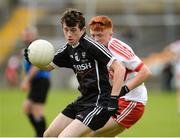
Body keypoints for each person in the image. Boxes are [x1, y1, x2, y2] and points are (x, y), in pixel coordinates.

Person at [24, 8, 125, 137]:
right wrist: (34, 60)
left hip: (99, 102)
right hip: (83, 100)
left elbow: (119, 69)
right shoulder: (68, 49)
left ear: (82, 30)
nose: (69, 34)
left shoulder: (91, 46)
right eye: (66, 30)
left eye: (73, 30)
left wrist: (114, 99)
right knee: (48, 135)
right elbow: (48, 66)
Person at [87, 15, 152, 136]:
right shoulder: (99, 50)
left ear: (111, 34)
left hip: (132, 101)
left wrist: (124, 90)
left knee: (89, 132)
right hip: (117, 100)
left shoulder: (115, 47)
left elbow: (145, 71)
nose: (96, 39)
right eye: (93, 36)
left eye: (100, 35)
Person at [20, 27, 51, 137]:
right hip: (36, 82)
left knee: (37, 112)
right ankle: (40, 133)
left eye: (27, 35)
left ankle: (42, 134)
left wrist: (26, 80)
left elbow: (36, 66)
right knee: (27, 108)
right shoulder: (28, 48)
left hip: (41, 81)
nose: (25, 37)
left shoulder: (36, 47)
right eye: (24, 35)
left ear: (34, 35)